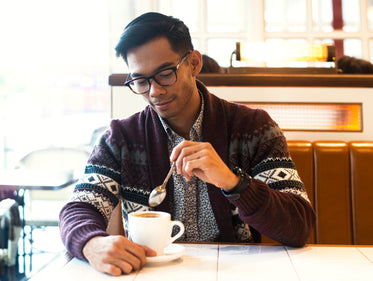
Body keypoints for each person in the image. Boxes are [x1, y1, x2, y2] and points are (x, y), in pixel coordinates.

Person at [59, 12, 315, 276]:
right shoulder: (121, 138)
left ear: (193, 63)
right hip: (149, 273)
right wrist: (91, 243)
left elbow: (299, 225)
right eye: (141, 80)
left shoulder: (252, 128)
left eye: (165, 74)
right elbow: (79, 208)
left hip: (237, 273)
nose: (155, 91)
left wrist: (233, 182)